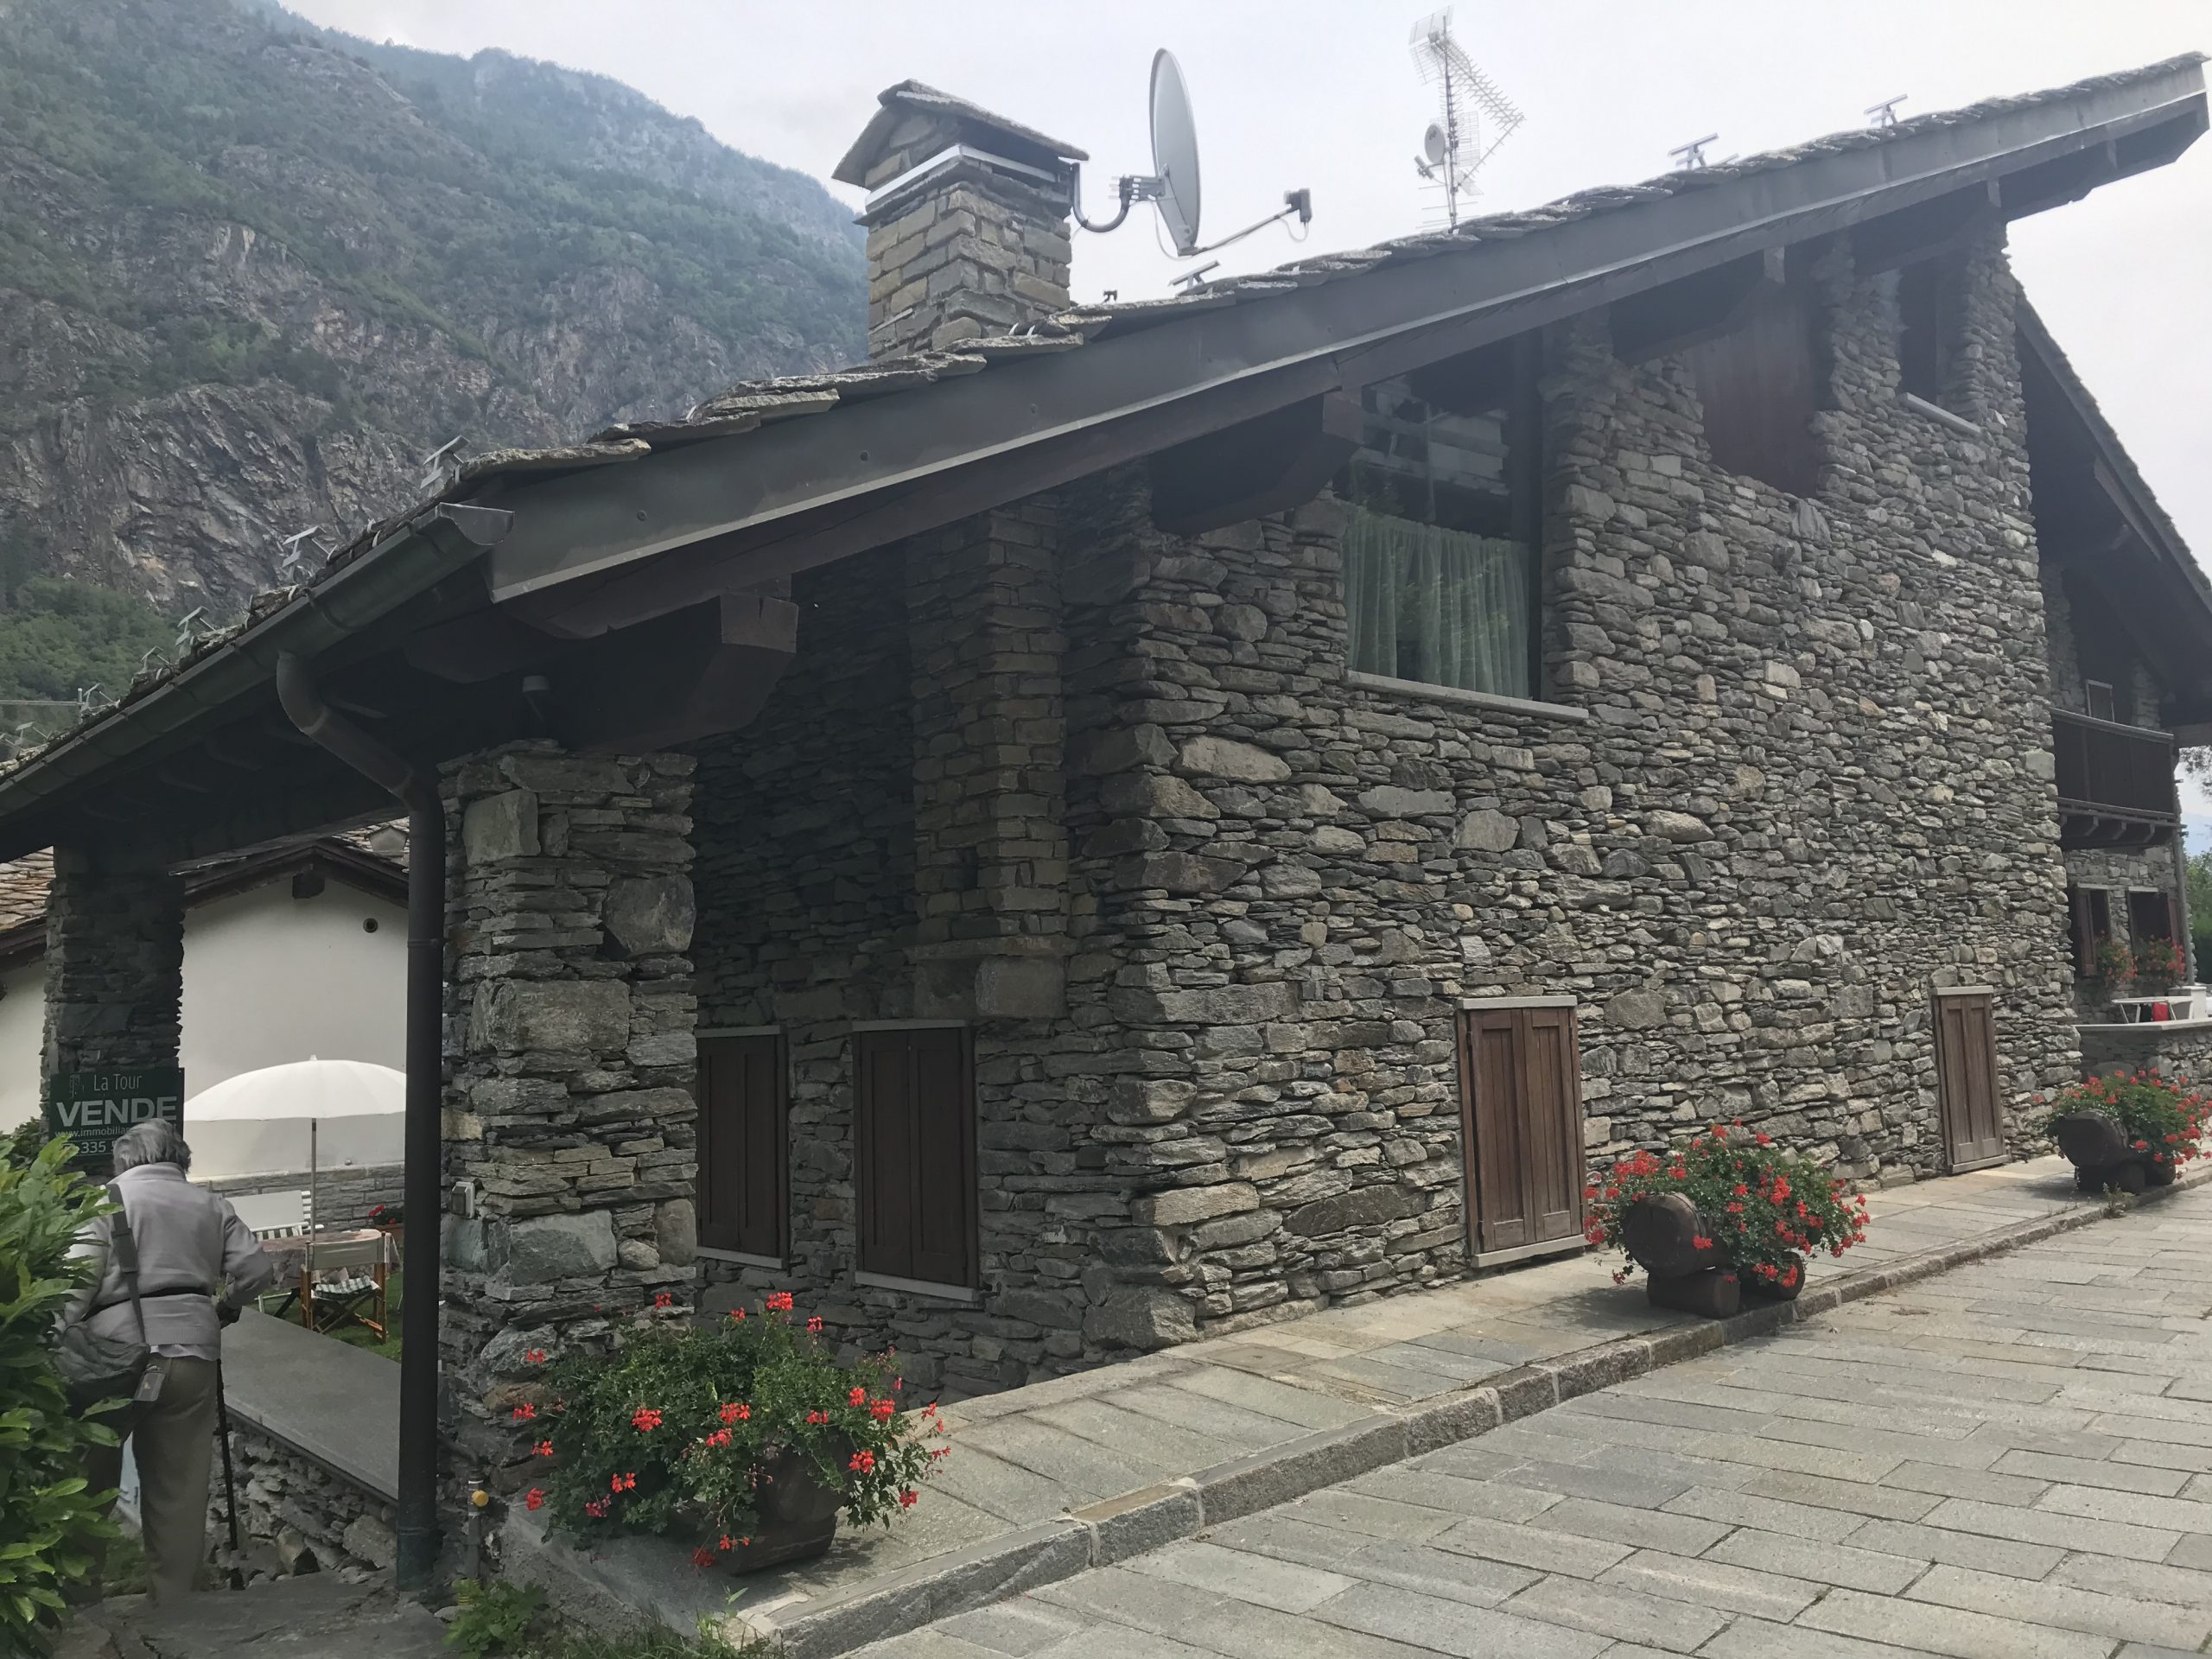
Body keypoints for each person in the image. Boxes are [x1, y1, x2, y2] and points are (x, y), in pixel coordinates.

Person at [60, 1120, 274, 1601]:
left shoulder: (104, 1204)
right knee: (179, 1488)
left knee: (89, 1481)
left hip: (112, 1361)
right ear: (181, 1159)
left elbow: (71, 1291)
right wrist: (229, 1305)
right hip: (192, 1353)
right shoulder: (211, 1205)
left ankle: (81, 1602)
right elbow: (257, 1271)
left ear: (123, 1161)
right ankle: (174, 1605)